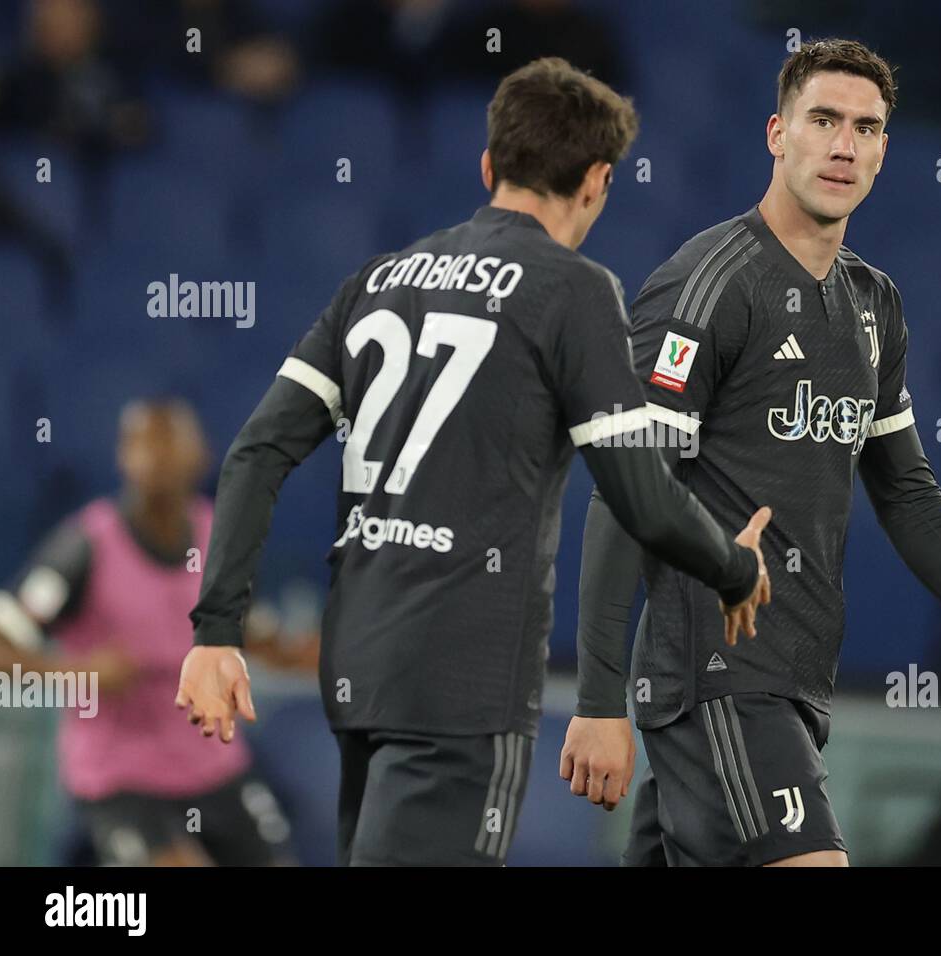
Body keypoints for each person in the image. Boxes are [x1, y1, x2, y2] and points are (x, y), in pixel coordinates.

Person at [177, 57, 771, 867]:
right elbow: (642, 496)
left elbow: (255, 451)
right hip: (462, 681)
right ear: (598, 180)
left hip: (357, 666)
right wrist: (732, 567)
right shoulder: (574, 289)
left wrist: (216, 633)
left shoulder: (378, 281)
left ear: (489, 165)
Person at [564, 38, 941, 867]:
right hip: (720, 677)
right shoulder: (709, 285)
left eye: (866, 128)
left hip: (796, 683)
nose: (844, 145)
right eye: (824, 120)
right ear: (778, 134)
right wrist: (596, 700)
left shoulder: (875, 303)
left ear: (882, 149)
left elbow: (908, 494)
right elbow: (627, 486)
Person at [0, 400, 295, 865]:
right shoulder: (84, 548)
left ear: (201, 454)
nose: (157, 457)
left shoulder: (223, 538)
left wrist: (325, 652)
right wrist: (79, 673)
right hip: (122, 783)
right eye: (142, 443)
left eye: (170, 441)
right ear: (122, 456)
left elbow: (253, 633)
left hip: (216, 772)